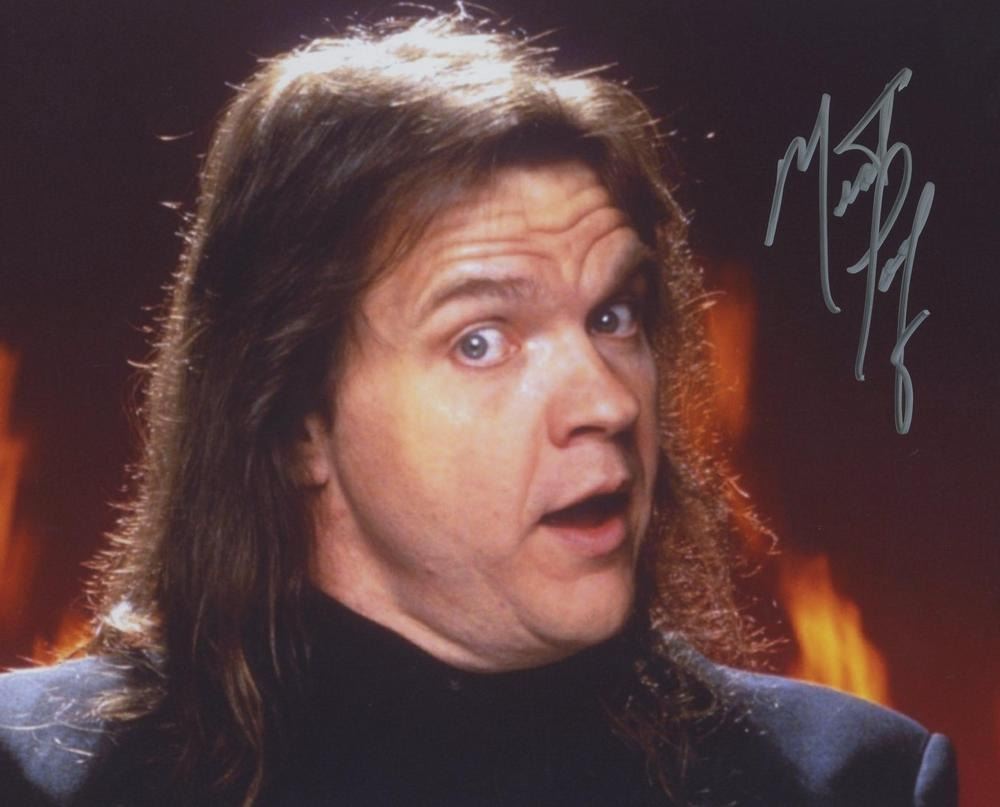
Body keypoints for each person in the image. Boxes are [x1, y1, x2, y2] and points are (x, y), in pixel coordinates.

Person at [0, 11, 956, 807]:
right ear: (294, 421)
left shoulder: (850, 783)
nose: (606, 399)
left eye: (614, 316)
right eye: (482, 340)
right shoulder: (42, 778)